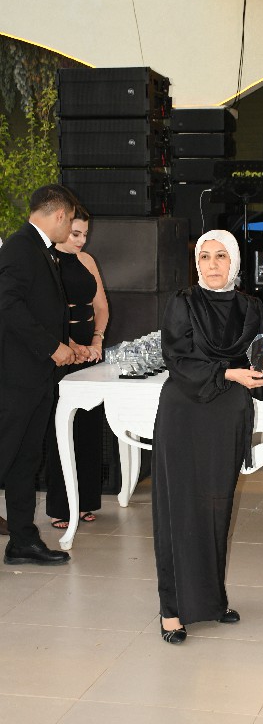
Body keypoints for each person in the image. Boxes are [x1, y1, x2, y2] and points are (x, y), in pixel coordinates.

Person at [152, 230, 263, 644]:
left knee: (216, 507)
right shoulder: (182, 302)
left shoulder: (250, 307)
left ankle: (211, 601)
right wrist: (231, 373)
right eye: (205, 256)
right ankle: (172, 610)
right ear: (196, 263)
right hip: (185, 412)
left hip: (227, 416)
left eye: (221, 256)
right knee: (178, 510)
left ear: (235, 263)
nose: (212, 264)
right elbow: (179, 360)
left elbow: (255, 362)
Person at [0, 184, 78, 565]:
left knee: (25, 461)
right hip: (15, 378)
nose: (71, 228)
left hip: (35, 376)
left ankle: (22, 540)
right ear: (60, 215)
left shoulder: (38, 248)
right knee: (5, 455)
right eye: (71, 220)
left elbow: (38, 308)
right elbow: (7, 305)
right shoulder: (20, 247)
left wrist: (65, 344)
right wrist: (51, 346)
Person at [45, 204, 109, 529]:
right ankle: (60, 506)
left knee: (88, 427)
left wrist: (96, 341)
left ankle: (86, 501)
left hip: (90, 352)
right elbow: (44, 314)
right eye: (75, 234)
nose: (82, 240)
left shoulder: (87, 260)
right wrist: (70, 346)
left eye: (85, 234)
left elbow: (102, 307)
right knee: (60, 429)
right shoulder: (46, 262)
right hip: (59, 351)